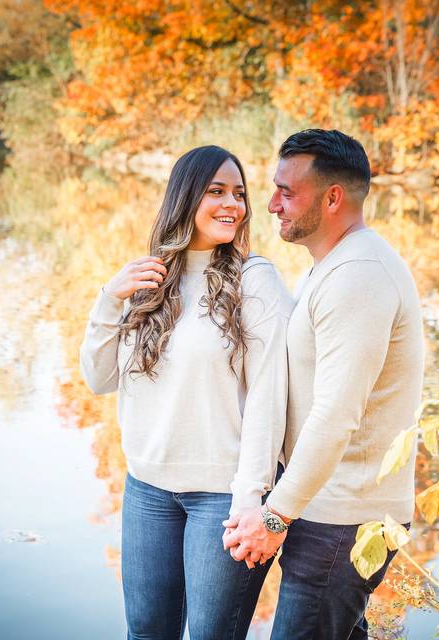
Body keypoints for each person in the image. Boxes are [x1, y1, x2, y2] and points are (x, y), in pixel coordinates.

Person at [80, 145, 291, 639]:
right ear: (185, 197)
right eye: (216, 191)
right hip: (147, 489)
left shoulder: (253, 280)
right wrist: (109, 298)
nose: (232, 205)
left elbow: (268, 396)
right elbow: (98, 378)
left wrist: (251, 496)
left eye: (239, 194)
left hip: (223, 496)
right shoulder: (147, 278)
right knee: (147, 631)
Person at [223, 129, 425, 639]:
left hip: (343, 522)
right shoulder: (335, 266)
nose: (270, 205)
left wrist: (273, 518)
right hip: (331, 511)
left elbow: (336, 416)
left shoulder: (358, 276)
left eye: (287, 191)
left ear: (333, 197)